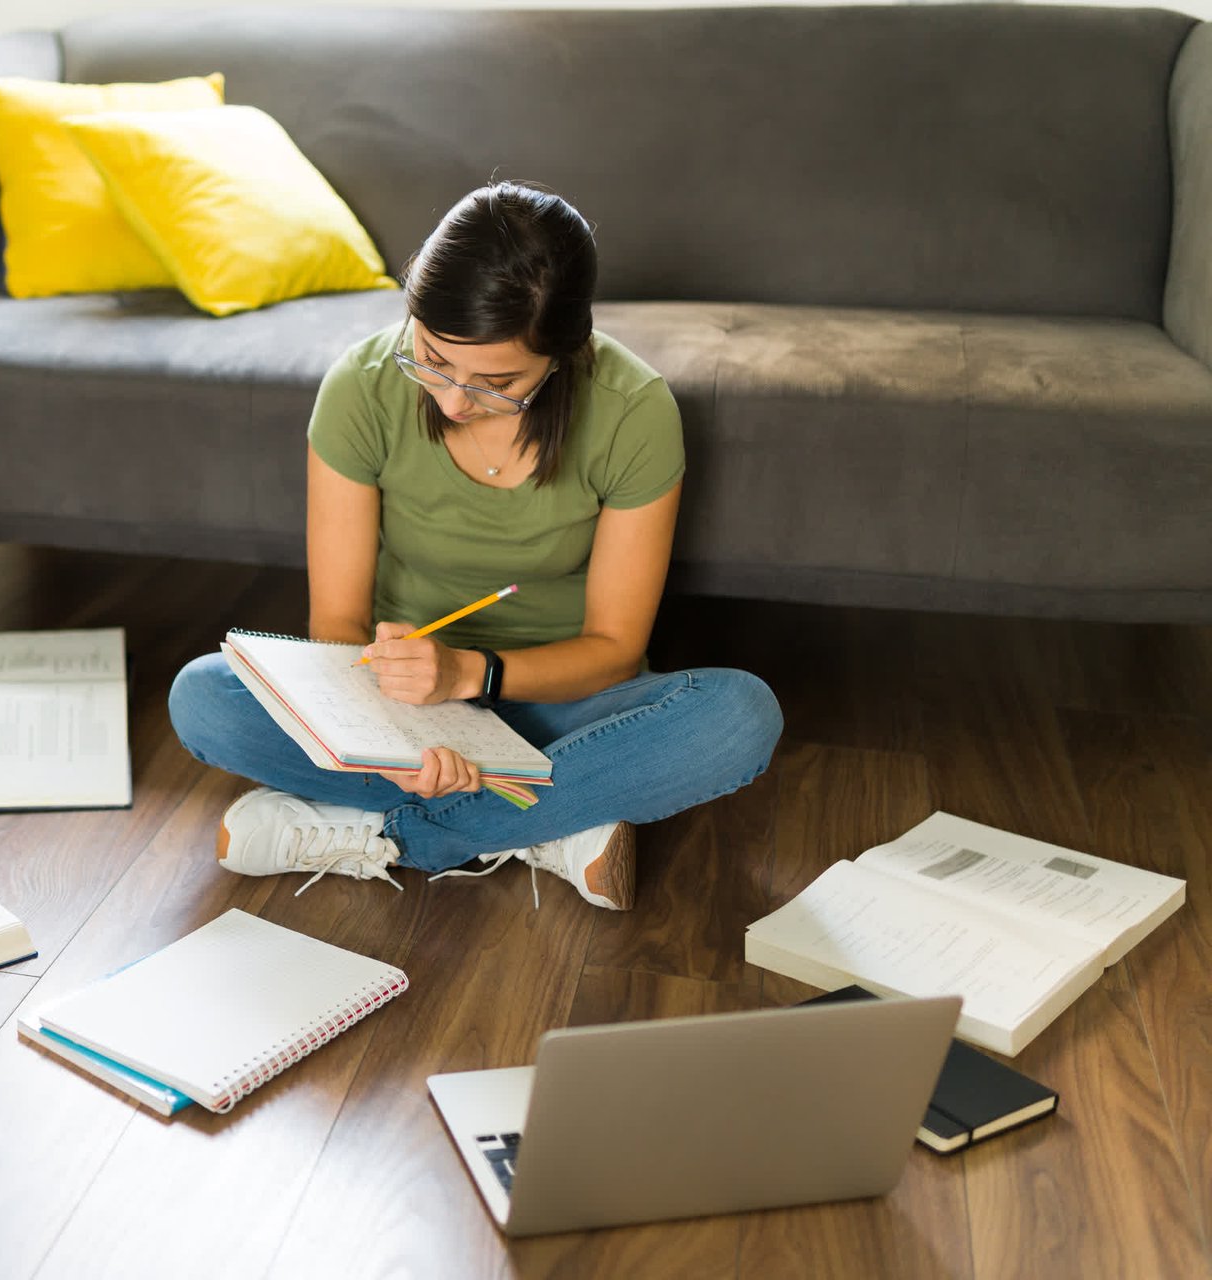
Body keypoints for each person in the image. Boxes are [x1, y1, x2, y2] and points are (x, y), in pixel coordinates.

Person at [168, 182, 782, 909]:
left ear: (564, 352)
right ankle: (544, 825)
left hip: (563, 708)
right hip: (393, 702)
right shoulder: (360, 389)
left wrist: (470, 674)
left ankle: (395, 837)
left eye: (497, 383)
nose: (453, 402)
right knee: (204, 696)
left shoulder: (632, 411)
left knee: (741, 717)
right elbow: (336, 628)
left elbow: (614, 648)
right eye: (430, 359)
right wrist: (398, 743)